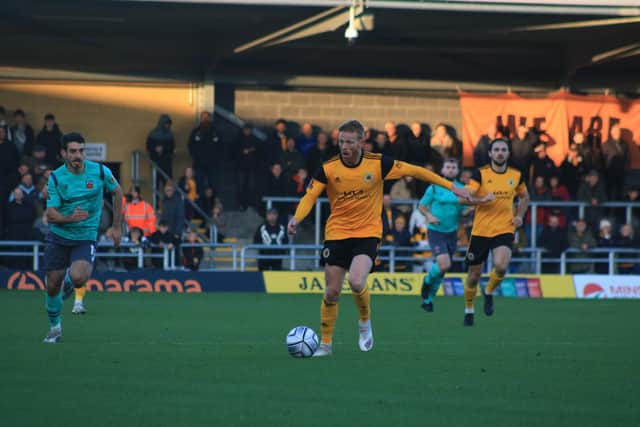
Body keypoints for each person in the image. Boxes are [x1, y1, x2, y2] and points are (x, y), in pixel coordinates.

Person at [287, 119, 470, 357]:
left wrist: (451, 187)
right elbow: (309, 197)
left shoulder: (379, 164)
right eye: (342, 141)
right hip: (337, 232)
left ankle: (364, 323)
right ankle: (325, 344)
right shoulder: (328, 168)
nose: (345, 146)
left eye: (350, 142)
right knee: (331, 292)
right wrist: (296, 219)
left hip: (368, 232)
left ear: (361, 142)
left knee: (355, 280)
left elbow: (418, 171)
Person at [42, 132, 122, 342]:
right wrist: (69, 218)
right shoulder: (57, 178)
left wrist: (116, 226)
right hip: (59, 236)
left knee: (79, 277)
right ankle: (55, 327)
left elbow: (118, 192)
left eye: (81, 151)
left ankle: (68, 284)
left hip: (85, 235)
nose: (78, 155)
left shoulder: (100, 172)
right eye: (73, 151)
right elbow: (51, 215)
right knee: (52, 285)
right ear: (64, 154)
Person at [462, 138, 530, 327]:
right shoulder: (480, 174)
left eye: (503, 150)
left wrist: (520, 215)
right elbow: (465, 199)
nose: (500, 153)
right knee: (474, 275)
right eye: (497, 150)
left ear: (508, 153)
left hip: (504, 228)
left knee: (500, 265)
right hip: (481, 231)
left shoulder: (516, 175)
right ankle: (469, 309)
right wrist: (482, 199)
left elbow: (525, 197)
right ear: (490, 154)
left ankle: (489, 291)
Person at [418, 158, 494, 312]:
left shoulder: (462, 188)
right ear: (443, 170)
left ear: (457, 170)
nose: (451, 169)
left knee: (443, 269)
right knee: (444, 264)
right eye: (448, 167)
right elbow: (422, 206)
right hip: (436, 231)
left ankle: (428, 299)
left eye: (453, 167)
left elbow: (465, 206)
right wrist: (429, 216)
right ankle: (426, 281)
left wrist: (476, 206)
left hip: (452, 233)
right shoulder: (434, 187)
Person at [146, 114, 175, 189]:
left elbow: (172, 148)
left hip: (166, 163)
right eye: (166, 124)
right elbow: (148, 147)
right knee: (156, 185)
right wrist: (155, 149)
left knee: (168, 184)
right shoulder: (153, 134)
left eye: (169, 124)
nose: (168, 126)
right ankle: (156, 200)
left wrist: (163, 149)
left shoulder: (170, 134)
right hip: (156, 162)